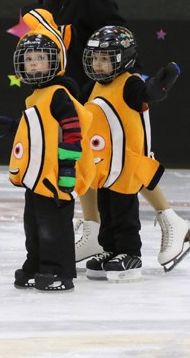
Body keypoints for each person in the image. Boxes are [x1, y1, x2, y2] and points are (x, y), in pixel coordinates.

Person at [29, 0, 189, 267]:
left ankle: (169, 217)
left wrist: (130, 86)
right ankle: (93, 230)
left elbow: (119, 36)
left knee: (125, 160)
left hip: (111, 90)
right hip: (82, 93)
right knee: (89, 160)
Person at [81, 26, 182, 281]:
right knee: (106, 209)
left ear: (123, 57)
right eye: (95, 58)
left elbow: (146, 93)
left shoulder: (129, 83)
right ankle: (109, 249)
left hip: (127, 165)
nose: (99, 64)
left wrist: (159, 84)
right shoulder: (93, 87)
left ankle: (129, 253)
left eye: (105, 58)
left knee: (124, 210)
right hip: (104, 166)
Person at [9, 10, 93, 292]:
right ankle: (36, 263)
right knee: (33, 224)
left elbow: (72, 130)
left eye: (39, 59)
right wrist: (10, 126)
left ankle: (59, 271)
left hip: (57, 176)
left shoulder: (59, 94)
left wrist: (68, 167)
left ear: (54, 60)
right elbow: (35, 131)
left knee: (54, 225)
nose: (33, 65)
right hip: (36, 177)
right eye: (29, 60)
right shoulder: (34, 96)